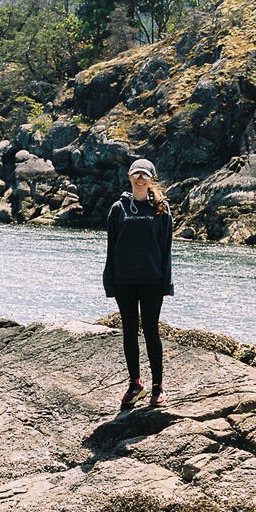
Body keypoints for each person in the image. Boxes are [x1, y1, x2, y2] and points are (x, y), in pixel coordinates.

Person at [102, 156, 173, 407]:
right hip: (124, 281)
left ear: (151, 178)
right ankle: (135, 384)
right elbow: (111, 248)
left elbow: (167, 250)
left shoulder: (161, 209)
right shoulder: (117, 209)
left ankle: (157, 387)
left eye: (145, 174)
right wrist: (109, 281)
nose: (140, 178)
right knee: (129, 332)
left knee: (151, 331)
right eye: (136, 174)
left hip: (152, 281)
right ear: (130, 177)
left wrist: (167, 283)